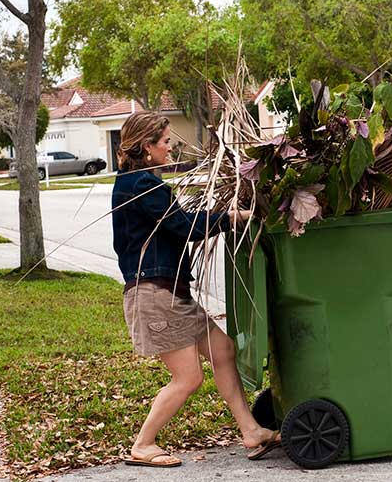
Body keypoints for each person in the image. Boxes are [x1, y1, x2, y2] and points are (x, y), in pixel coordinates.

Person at [111, 111, 279, 468]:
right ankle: (143, 444)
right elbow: (183, 226)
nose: (170, 148)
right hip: (155, 295)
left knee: (223, 350)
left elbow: (175, 223)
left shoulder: (137, 183)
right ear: (147, 146)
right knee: (188, 378)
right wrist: (229, 217)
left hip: (171, 293)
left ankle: (251, 431)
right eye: (166, 142)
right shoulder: (140, 185)